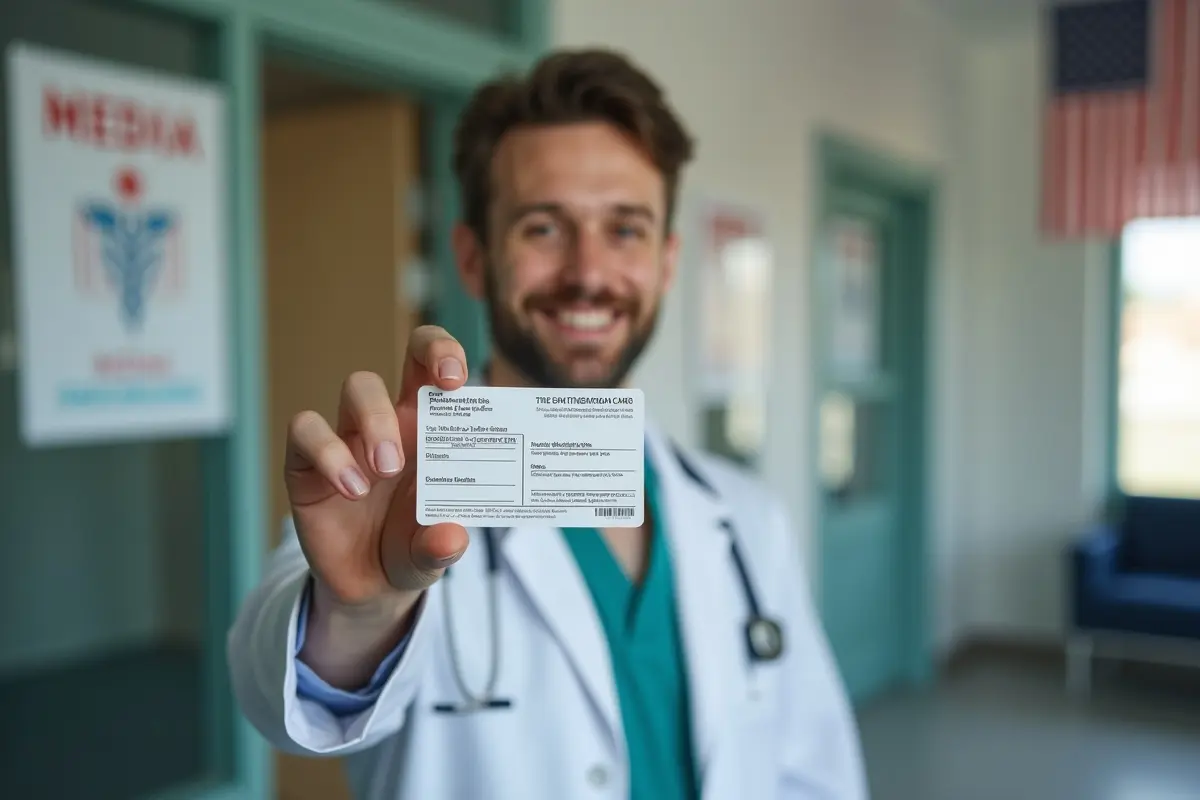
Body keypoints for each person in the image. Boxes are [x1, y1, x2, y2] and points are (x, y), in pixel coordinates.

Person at [227, 47, 868, 800]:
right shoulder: (399, 501)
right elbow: (278, 691)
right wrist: (360, 615)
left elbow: (815, 772)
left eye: (625, 229)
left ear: (666, 262)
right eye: (542, 228)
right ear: (472, 258)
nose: (589, 271)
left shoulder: (748, 519)